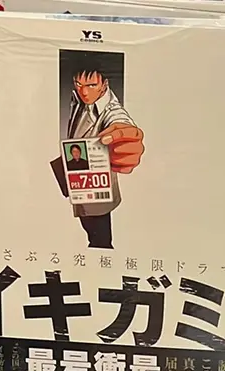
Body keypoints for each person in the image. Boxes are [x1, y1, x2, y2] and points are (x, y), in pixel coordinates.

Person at [52, 51, 145, 250]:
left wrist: (126, 142)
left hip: (97, 192)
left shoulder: (111, 111)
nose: (84, 92)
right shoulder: (78, 98)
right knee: (88, 229)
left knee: (101, 242)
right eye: (79, 84)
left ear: (104, 85)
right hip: (78, 182)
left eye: (92, 85)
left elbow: (120, 121)